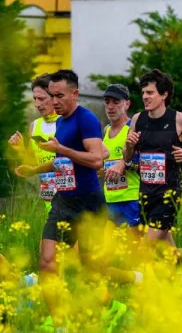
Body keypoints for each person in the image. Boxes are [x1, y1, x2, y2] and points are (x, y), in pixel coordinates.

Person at [17, 70, 108, 319]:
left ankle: (105, 314)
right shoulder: (61, 121)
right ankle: (58, 322)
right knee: (47, 261)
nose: (54, 101)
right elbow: (61, 160)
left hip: (88, 201)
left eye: (59, 96)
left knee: (90, 270)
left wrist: (62, 149)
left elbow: (98, 159)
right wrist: (35, 169)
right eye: (51, 96)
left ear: (74, 94)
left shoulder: (86, 119)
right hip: (62, 200)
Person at [123, 69, 182, 248]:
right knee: (167, 251)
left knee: (146, 247)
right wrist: (129, 146)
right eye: (143, 92)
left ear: (164, 94)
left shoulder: (180, 119)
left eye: (150, 92)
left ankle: (140, 276)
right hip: (145, 193)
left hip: (168, 194)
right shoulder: (138, 119)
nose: (145, 96)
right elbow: (127, 157)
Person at [9, 74, 59, 212]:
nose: (37, 104)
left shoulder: (67, 122)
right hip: (48, 200)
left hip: (72, 199)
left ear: (55, 97)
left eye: (42, 99)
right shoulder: (34, 126)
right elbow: (33, 165)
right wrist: (20, 149)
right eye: (35, 99)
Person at [100, 84, 141, 229]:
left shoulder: (133, 128)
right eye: (107, 102)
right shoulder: (106, 130)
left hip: (131, 199)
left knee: (136, 250)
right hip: (110, 199)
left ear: (127, 104)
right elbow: (106, 163)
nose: (110, 107)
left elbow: (144, 163)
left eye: (116, 102)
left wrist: (123, 164)